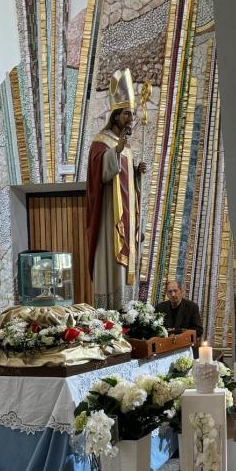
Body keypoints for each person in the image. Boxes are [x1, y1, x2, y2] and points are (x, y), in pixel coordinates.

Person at [86, 68, 147, 309]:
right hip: (109, 216)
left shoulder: (125, 146)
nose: (130, 120)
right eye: (126, 115)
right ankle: (110, 310)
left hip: (125, 215)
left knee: (126, 264)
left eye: (132, 115)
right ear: (115, 115)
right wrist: (117, 151)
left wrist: (136, 174)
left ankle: (127, 309)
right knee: (111, 261)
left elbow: (126, 181)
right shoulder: (101, 142)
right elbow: (98, 175)